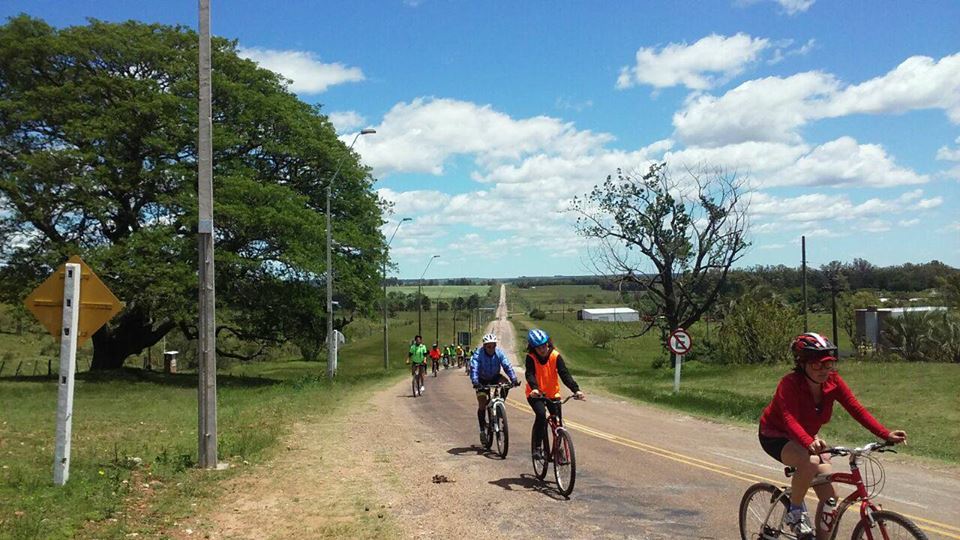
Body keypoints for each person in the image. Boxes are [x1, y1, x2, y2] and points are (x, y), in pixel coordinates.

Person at [758, 332, 907, 540]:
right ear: (802, 363)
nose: (823, 370)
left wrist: (885, 433)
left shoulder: (833, 382)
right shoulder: (789, 384)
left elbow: (857, 410)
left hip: (807, 438)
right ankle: (795, 511)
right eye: (816, 365)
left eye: (828, 364)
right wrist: (809, 442)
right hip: (775, 435)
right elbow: (790, 420)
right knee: (808, 461)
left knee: (830, 499)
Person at [525, 329, 584, 461]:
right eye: (538, 347)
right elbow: (529, 374)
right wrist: (534, 389)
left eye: (544, 345)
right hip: (535, 395)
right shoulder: (531, 358)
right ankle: (538, 447)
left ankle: (558, 450)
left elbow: (564, 374)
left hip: (553, 394)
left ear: (548, 343)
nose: (542, 349)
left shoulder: (555, 356)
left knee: (557, 422)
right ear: (533, 348)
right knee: (541, 415)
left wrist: (576, 390)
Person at [469, 333, 519, 439]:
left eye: (493, 346)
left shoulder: (499, 353)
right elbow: (474, 368)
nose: (491, 349)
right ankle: (482, 430)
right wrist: (475, 381)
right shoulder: (479, 354)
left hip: (494, 376)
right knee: (482, 404)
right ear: (484, 346)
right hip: (481, 379)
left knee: (506, 384)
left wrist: (513, 379)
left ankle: (500, 405)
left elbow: (506, 365)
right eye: (488, 346)